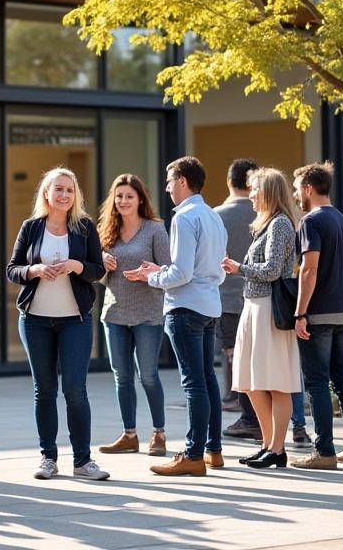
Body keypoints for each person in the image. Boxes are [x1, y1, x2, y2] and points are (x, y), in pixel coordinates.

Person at [7, 168, 110, 482]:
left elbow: (97, 270)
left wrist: (77, 265)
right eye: (59, 190)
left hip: (75, 322)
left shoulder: (84, 228)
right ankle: (48, 458)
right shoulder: (31, 227)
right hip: (35, 320)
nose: (64, 195)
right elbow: (12, 270)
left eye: (69, 190)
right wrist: (35, 269)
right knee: (45, 390)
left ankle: (83, 460)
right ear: (47, 194)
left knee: (75, 389)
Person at [136, 157, 226, 477]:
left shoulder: (184, 218)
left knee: (194, 384)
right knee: (207, 381)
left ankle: (192, 454)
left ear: (183, 182)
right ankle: (213, 450)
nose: (167, 187)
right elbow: (207, 269)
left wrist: (152, 277)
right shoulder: (213, 216)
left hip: (185, 307)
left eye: (170, 180)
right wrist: (162, 271)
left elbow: (182, 273)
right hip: (208, 306)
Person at [286, 162, 343, 471]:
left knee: (318, 382)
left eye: (297, 188)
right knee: (342, 379)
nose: (296, 194)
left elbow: (309, 269)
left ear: (308, 188)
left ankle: (324, 452)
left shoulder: (311, 222)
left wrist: (300, 313)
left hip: (319, 313)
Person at [223, 168, 299, 470]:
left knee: (276, 382)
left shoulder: (279, 224)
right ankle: (269, 445)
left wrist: (238, 268)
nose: (250, 194)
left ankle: (277, 448)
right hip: (254, 307)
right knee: (252, 382)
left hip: (269, 308)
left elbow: (271, 270)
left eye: (254, 189)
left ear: (267, 191)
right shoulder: (267, 224)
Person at [97, 174, 170, 458]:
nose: (124, 201)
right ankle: (129, 435)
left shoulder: (154, 229)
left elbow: (168, 271)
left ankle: (159, 433)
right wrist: (102, 263)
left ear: (140, 199)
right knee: (122, 376)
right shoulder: (107, 230)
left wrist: (148, 273)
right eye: (119, 196)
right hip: (114, 312)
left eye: (129, 196)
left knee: (149, 375)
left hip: (148, 313)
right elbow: (98, 276)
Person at [214, 159, 260, 441]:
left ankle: (238, 404)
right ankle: (253, 412)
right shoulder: (265, 214)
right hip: (260, 298)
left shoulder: (216, 215)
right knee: (256, 357)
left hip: (227, 297)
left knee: (232, 356)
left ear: (229, 182)